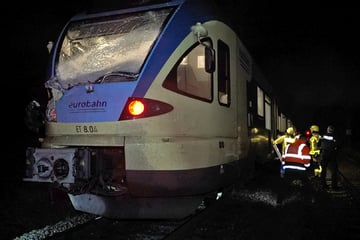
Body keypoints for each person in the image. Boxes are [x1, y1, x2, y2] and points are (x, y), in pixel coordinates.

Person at [276, 134, 312, 206]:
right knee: (306, 185)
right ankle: (308, 201)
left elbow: (283, 158)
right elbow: (306, 161)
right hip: (300, 169)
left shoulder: (288, 146)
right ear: (304, 139)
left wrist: (283, 169)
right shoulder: (304, 147)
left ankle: (279, 202)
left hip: (288, 169)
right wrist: (307, 167)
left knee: (285, 185)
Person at [319, 125, 339, 190]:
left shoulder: (323, 136)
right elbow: (337, 145)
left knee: (323, 170)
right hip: (332, 155)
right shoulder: (334, 137)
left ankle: (323, 185)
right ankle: (334, 186)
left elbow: (319, 144)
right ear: (332, 130)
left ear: (327, 130)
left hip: (324, 154)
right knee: (334, 171)